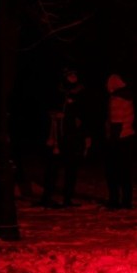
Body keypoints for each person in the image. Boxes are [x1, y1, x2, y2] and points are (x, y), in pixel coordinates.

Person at [39, 68, 92, 208]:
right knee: (52, 168)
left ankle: (67, 198)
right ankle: (47, 196)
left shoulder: (81, 93)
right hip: (57, 137)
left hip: (73, 136)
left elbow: (84, 114)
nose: (73, 77)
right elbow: (47, 108)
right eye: (70, 75)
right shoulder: (57, 91)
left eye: (75, 74)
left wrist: (85, 133)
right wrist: (53, 114)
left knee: (71, 168)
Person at [104, 73, 135, 209]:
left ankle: (114, 200)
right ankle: (127, 201)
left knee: (113, 171)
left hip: (118, 139)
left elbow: (116, 122)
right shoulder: (127, 98)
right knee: (125, 172)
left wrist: (111, 142)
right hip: (127, 137)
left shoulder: (116, 99)